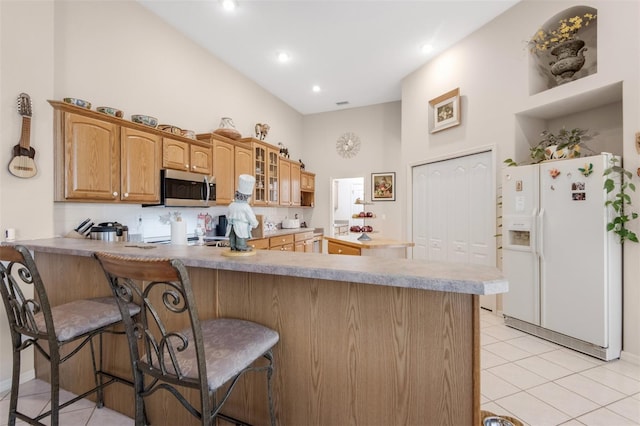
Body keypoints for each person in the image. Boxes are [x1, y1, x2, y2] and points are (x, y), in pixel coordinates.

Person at [226, 174, 259, 251]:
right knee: (241, 242)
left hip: (231, 227)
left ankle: (233, 246)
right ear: (247, 197)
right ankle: (241, 247)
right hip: (241, 228)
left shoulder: (231, 205)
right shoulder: (246, 207)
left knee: (232, 241)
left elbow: (227, 216)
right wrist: (255, 224)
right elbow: (251, 218)